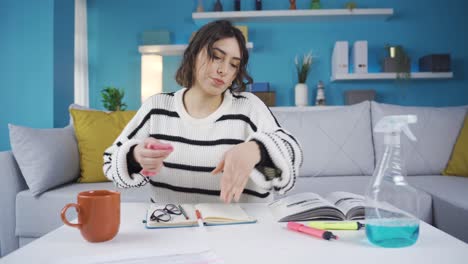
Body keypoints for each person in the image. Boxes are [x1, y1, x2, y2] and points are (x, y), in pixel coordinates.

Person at [103, 20, 302, 204]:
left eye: (233, 64)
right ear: (194, 53)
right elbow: (110, 164)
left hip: (242, 234)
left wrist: (257, 151)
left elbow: (285, 169)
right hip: (170, 231)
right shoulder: (157, 108)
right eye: (216, 57)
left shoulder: (249, 108)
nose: (223, 70)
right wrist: (135, 157)